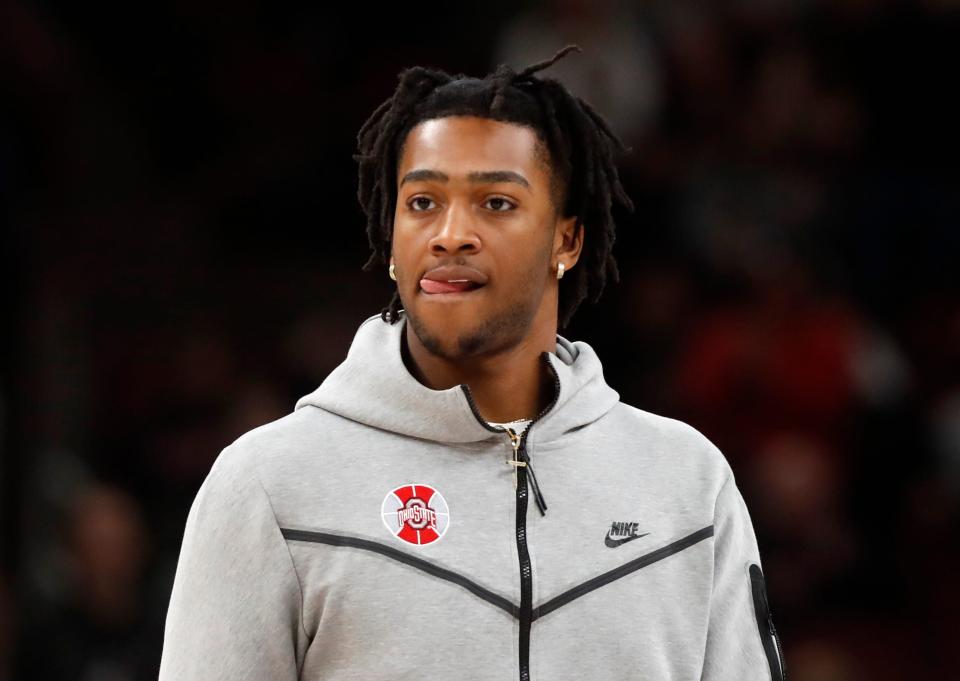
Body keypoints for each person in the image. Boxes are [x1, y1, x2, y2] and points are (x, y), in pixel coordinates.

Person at [159, 45, 786, 680]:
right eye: (423, 202)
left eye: (496, 203)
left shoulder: (687, 485)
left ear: (567, 240)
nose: (451, 233)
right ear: (393, 240)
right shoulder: (271, 486)